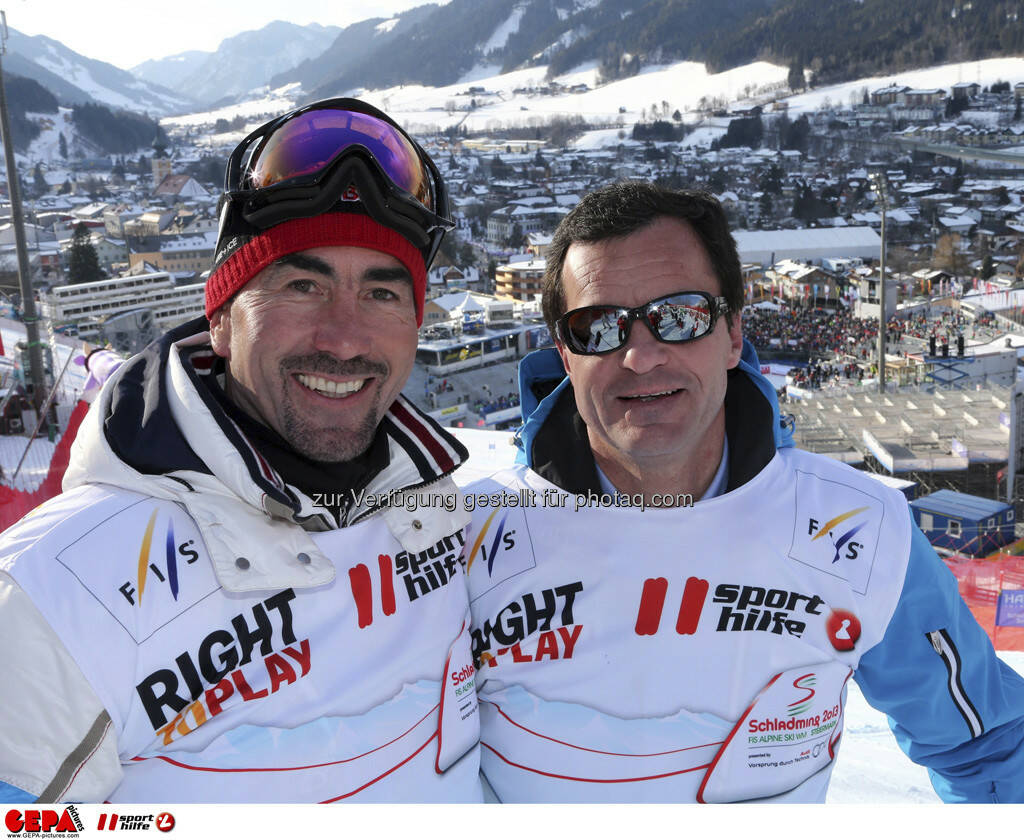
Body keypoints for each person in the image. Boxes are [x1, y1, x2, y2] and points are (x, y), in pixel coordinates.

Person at [464, 182, 1024, 803]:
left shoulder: (861, 530)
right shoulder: (465, 536)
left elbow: (987, 748)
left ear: (733, 333)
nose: (641, 356)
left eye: (680, 316)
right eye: (599, 327)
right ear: (565, 354)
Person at [0, 98, 480, 803]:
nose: (343, 338)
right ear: (221, 321)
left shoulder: (449, 516)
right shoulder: (55, 591)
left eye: (381, 292)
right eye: (302, 285)